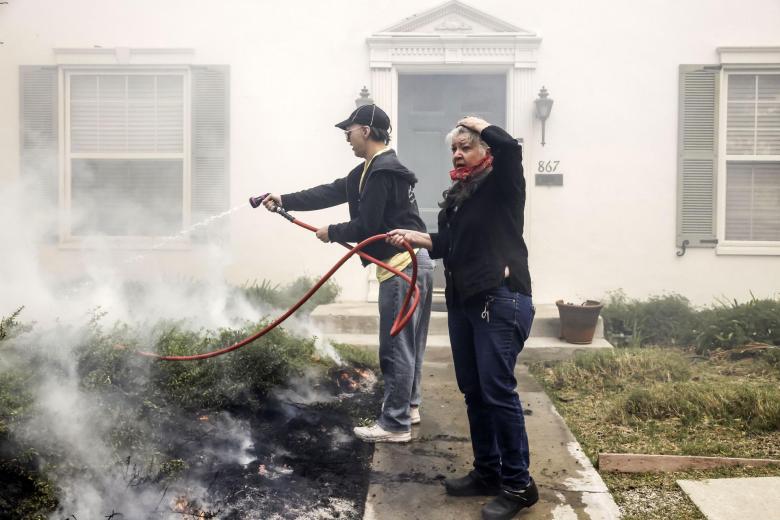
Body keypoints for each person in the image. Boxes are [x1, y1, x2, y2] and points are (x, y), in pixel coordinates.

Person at [386, 117, 537, 519]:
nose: (458, 152)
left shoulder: (503, 185)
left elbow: (511, 150)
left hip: (501, 300)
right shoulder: (461, 193)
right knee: (473, 390)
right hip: (465, 302)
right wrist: (420, 238)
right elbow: (453, 243)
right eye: (455, 147)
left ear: (486, 151)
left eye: (467, 145)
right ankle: (488, 471)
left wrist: (480, 125)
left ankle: (519, 484)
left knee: (498, 391)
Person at [261, 104, 433, 443]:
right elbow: (331, 191)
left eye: (349, 131)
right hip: (415, 265)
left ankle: (395, 424)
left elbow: (369, 226)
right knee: (410, 345)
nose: (347, 137)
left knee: (396, 348)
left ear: (366, 131)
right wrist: (284, 199)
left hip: (401, 268)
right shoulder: (370, 169)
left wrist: (333, 231)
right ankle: (408, 407)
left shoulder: (382, 171)